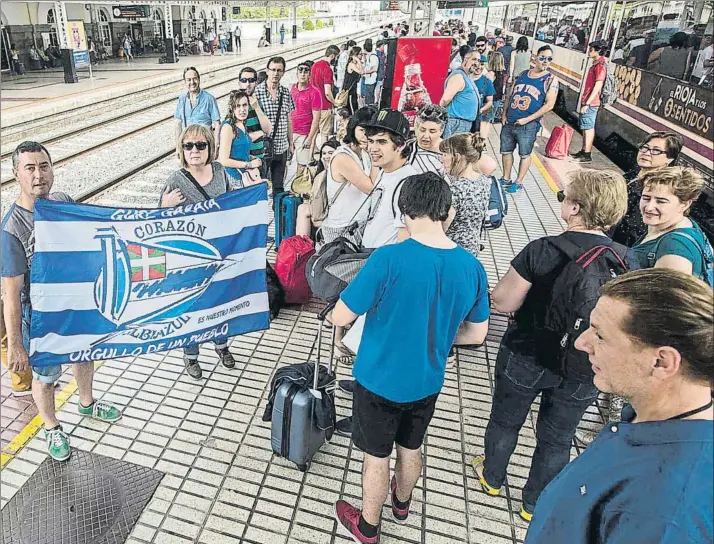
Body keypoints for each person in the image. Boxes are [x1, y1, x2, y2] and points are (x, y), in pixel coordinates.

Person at [331, 172, 490, 544]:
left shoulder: (389, 258)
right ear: (447, 213)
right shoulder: (472, 267)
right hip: (427, 381)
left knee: (375, 457)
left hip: (377, 380)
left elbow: (341, 315)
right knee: (411, 447)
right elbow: (477, 334)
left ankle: (368, 528)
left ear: (404, 212)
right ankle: (402, 505)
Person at [474, 170, 634, 522]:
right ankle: (533, 505)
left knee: (506, 420)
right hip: (585, 365)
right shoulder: (628, 262)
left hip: (526, 355)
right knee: (559, 437)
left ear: (575, 208)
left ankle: (492, 477)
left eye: (565, 197)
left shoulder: (542, 250)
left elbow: (504, 302)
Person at [526, 269, 713, 544]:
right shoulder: (648, 416)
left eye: (600, 335)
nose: (581, 343)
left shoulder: (664, 513)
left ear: (661, 362)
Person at [2, 142, 122, 461]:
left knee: (85, 355)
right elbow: (11, 296)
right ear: (16, 174)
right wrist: (15, 345)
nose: (39, 175)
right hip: (41, 318)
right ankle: (52, 426)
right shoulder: (12, 229)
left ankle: (87, 402)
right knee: (46, 376)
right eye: (30, 168)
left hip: (77, 305)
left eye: (44, 166)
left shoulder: (63, 202)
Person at [160, 125, 235, 378]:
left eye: (201, 145)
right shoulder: (175, 179)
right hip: (189, 259)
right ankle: (191, 355)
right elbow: (156, 226)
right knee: (191, 307)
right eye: (188, 146)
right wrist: (164, 205)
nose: (194, 150)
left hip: (220, 254)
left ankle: (221, 345)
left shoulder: (220, 172)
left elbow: (235, 203)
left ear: (210, 148)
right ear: (182, 150)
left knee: (220, 302)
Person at [320, 107, 376, 366]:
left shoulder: (362, 154)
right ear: (353, 127)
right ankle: (336, 337)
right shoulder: (343, 157)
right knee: (341, 286)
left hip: (355, 227)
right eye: (363, 129)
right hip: (338, 229)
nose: (367, 136)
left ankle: (343, 332)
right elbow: (370, 186)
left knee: (352, 285)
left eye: (372, 131)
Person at [632, 167, 711, 281]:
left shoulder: (675, 250)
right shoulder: (679, 225)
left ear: (685, 204)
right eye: (646, 198)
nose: (649, 207)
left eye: (661, 201)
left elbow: (663, 297)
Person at [500, 46, 559, 194]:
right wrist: (504, 114)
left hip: (529, 125)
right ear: (535, 57)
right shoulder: (522, 74)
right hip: (510, 120)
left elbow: (549, 104)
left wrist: (528, 119)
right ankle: (505, 178)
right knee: (506, 151)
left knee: (524, 154)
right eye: (542, 58)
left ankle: (518, 182)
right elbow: (509, 95)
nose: (546, 61)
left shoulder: (550, 80)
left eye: (549, 59)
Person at [610, 132, 683, 247]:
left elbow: (635, 226)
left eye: (656, 151)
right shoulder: (635, 173)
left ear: (669, 159)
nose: (646, 153)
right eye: (645, 147)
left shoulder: (658, 186)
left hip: (623, 244)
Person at [362, 109, 419, 249]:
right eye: (371, 141)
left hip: (386, 263)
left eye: (382, 142)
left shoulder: (408, 183)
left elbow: (405, 238)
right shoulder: (384, 171)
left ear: (400, 145)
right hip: (370, 257)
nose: (373, 148)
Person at [440, 133, 491, 257]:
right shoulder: (483, 180)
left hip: (452, 253)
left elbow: (442, 228)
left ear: (457, 157)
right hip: (472, 247)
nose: (442, 158)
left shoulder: (455, 190)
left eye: (445, 154)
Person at [256, 56, 296, 200]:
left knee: (279, 186)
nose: (275, 73)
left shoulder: (286, 93)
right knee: (261, 186)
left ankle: (278, 215)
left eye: (279, 70)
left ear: (283, 72)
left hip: (281, 147)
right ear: (267, 71)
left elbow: (288, 119)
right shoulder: (257, 93)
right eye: (273, 70)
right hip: (263, 148)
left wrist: (291, 143)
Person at [570, 40, 609, 164]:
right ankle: (583, 150)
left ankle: (587, 154)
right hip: (588, 100)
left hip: (592, 102)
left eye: (591, 49)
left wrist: (587, 103)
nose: (589, 51)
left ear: (598, 51)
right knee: (585, 126)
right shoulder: (597, 64)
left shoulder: (600, 66)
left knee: (588, 127)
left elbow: (598, 85)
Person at [219, 91, 263, 187]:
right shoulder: (228, 127)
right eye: (238, 106)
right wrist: (249, 164)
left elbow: (238, 151)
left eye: (244, 105)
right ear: (232, 108)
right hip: (233, 178)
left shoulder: (242, 124)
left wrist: (252, 158)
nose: (242, 109)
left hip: (244, 175)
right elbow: (223, 160)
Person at [296, 139, 339, 236]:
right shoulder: (321, 173)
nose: (326, 156)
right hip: (323, 211)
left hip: (334, 214)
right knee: (302, 208)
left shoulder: (333, 174)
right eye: (324, 153)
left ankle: (302, 245)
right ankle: (301, 244)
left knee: (304, 210)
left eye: (330, 153)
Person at [174, 67, 221, 146]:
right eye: (189, 80)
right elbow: (178, 123)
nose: (192, 82)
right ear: (185, 82)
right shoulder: (182, 99)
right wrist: (178, 147)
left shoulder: (209, 99)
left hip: (204, 144)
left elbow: (217, 124)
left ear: (199, 80)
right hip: (188, 144)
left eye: (194, 79)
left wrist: (216, 144)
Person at [237, 67, 273, 167]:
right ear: (239, 83)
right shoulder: (234, 105)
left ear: (256, 83)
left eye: (251, 80)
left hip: (259, 158)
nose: (248, 84)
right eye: (244, 80)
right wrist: (259, 133)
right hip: (242, 160)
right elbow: (237, 137)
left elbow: (268, 130)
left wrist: (256, 107)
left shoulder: (257, 103)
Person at [440, 49, 480, 138]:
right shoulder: (458, 76)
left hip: (463, 123)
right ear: (465, 60)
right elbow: (445, 99)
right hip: (456, 123)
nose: (477, 63)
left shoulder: (466, 76)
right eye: (474, 59)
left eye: (478, 60)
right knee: (453, 150)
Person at [291, 61, 322, 174]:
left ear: (310, 75)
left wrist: (310, 138)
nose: (303, 74)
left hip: (303, 133)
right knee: (284, 162)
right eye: (300, 70)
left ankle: (300, 189)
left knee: (302, 165)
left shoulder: (315, 93)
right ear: (297, 74)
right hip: (289, 132)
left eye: (306, 71)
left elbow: (316, 118)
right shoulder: (291, 89)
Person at [311, 45, 340, 141]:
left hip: (314, 105)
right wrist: (334, 103)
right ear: (332, 56)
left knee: (314, 133)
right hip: (324, 105)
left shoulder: (315, 65)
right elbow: (327, 92)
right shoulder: (327, 69)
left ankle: (311, 154)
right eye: (337, 57)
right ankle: (324, 154)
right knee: (324, 134)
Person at [408, 104, 447, 175]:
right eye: (422, 130)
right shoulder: (406, 150)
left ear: (441, 130)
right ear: (415, 128)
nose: (426, 136)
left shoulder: (451, 153)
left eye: (432, 131)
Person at [481, 51, 506, 138]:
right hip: (497, 100)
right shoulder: (502, 73)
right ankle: (484, 138)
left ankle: (482, 138)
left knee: (483, 121)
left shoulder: (490, 74)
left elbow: (485, 89)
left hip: (489, 101)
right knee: (488, 121)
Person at [471, 54, 495, 135]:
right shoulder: (464, 79)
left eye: (482, 64)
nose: (479, 67)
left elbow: (490, 101)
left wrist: (481, 109)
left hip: (477, 119)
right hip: (463, 118)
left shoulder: (487, 82)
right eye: (476, 64)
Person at [343, 46, 363, 116]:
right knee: (352, 110)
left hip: (353, 90)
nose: (362, 56)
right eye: (360, 54)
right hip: (349, 91)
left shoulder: (354, 64)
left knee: (354, 108)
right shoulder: (351, 64)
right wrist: (358, 61)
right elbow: (361, 72)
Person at [362, 39, 379, 106]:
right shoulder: (369, 56)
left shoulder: (372, 57)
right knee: (368, 96)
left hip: (371, 80)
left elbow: (374, 69)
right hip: (369, 79)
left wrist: (365, 72)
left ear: (365, 49)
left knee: (369, 97)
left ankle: (370, 108)